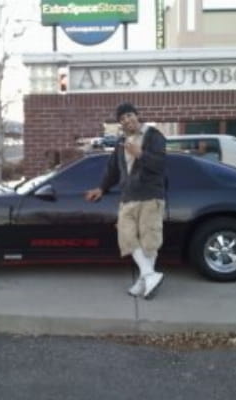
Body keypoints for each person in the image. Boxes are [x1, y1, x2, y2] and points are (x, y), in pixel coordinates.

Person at [85, 102, 166, 299]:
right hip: (128, 196)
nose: (127, 120)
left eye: (129, 115)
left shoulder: (154, 136)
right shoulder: (121, 143)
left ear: (137, 115)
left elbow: (160, 164)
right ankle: (149, 275)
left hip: (149, 195)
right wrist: (102, 188)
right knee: (126, 236)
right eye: (122, 118)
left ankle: (143, 282)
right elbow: (113, 170)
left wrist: (140, 154)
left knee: (149, 241)